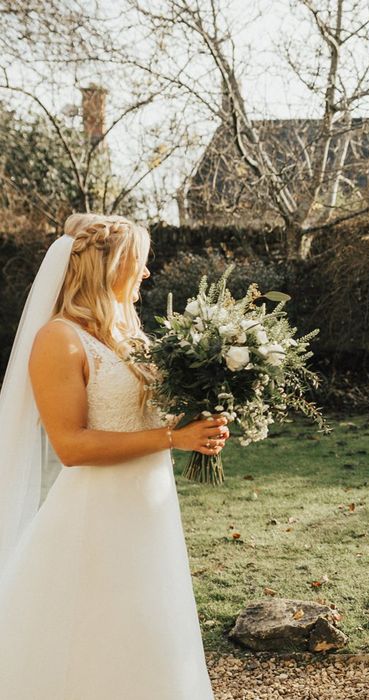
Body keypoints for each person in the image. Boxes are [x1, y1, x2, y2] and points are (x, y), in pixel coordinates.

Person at [0, 214, 229, 698]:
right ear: (110, 266)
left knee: (151, 625)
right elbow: (72, 445)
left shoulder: (129, 335)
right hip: (97, 516)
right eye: (140, 262)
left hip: (150, 508)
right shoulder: (58, 339)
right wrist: (174, 439)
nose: (147, 273)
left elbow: (150, 416)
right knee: (96, 632)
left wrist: (200, 422)